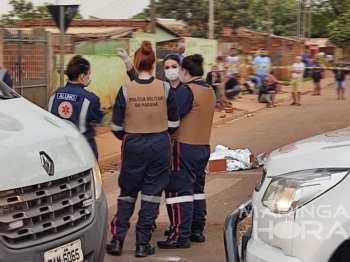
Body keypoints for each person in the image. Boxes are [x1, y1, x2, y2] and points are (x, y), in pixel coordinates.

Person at [106, 41, 180, 258]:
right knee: (151, 196)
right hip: (159, 145)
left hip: (133, 146)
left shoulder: (126, 89)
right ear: (154, 64)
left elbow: (117, 127)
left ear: (136, 64)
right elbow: (174, 124)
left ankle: (118, 240)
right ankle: (142, 244)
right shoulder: (165, 88)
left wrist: (131, 136)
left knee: (127, 194)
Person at [157, 54, 216, 249]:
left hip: (183, 147)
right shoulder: (209, 90)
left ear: (184, 71)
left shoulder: (186, 91)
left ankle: (179, 235)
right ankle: (195, 229)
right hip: (202, 147)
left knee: (179, 191)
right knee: (197, 190)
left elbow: (172, 118)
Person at [48, 55, 105, 159]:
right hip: (84, 148)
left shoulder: (55, 95)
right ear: (82, 76)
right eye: (89, 74)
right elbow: (99, 118)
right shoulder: (90, 99)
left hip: (59, 148)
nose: (89, 77)